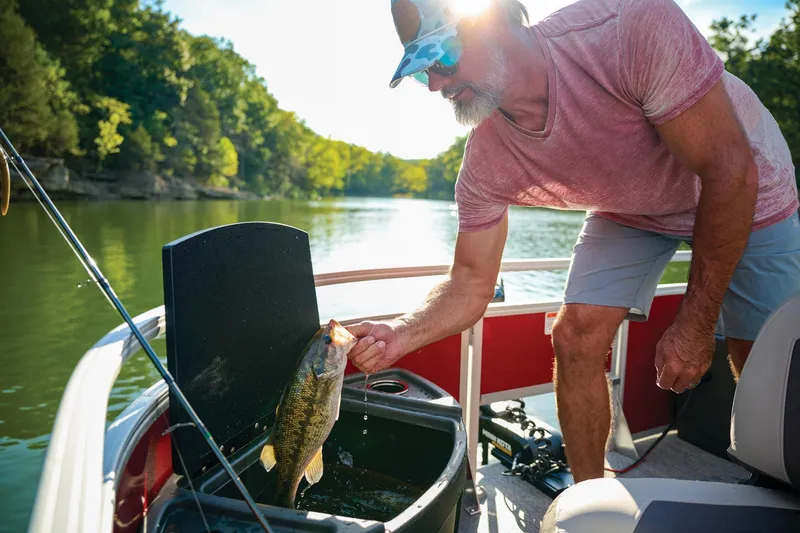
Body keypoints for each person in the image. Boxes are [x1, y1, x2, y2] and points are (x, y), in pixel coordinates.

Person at [346, 0, 800, 483]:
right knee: (574, 336)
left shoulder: (626, 28)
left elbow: (729, 170)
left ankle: (781, 486)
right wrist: (401, 332)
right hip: (630, 206)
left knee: (764, 358)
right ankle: (588, 501)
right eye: (422, 73)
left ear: (492, 21)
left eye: (442, 57)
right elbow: (470, 283)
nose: (437, 84)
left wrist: (694, 324)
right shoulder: (485, 163)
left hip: (743, 183)